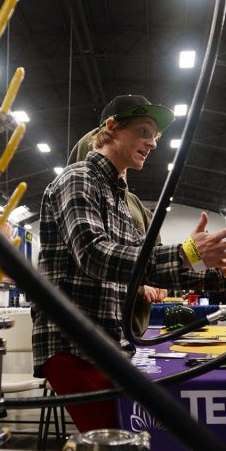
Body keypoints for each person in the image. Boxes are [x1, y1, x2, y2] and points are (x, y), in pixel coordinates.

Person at [32, 94, 226, 431]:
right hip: (74, 346)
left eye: (155, 136)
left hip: (109, 344)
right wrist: (188, 253)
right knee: (115, 442)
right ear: (111, 128)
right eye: (144, 131)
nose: (153, 143)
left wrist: (214, 271)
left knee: (127, 443)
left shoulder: (121, 201)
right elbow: (95, 255)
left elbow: (148, 269)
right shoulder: (77, 178)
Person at [67, 126, 166, 338]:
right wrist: (142, 288)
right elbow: (93, 257)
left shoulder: (132, 204)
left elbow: (155, 250)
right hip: (85, 334)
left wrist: (164, 279)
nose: (120, 173)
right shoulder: (78, 183)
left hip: (127, 328)